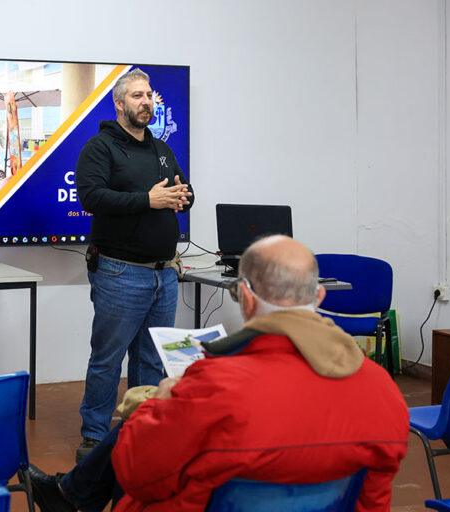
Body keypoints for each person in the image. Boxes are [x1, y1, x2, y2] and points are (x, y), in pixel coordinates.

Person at [28, 235, 409, 512]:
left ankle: (68, 495)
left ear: (244, 296)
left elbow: (133, 471)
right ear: (320, 297)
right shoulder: (382, 390)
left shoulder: (212, 387)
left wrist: (158, 404)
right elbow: (372, 501)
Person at [74, 68, 194, 460]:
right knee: (108, 358)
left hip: (164, 273)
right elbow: (91, 198)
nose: (146, 102)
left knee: (151, 358)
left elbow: (183, 188)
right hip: (120, 272)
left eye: (149, 96)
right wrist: (148, 200)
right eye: (137, 96)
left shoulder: (161, 149)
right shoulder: (100, 148)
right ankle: (94, 435)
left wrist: (183, 196)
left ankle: (141, 428)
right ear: (119, 103)